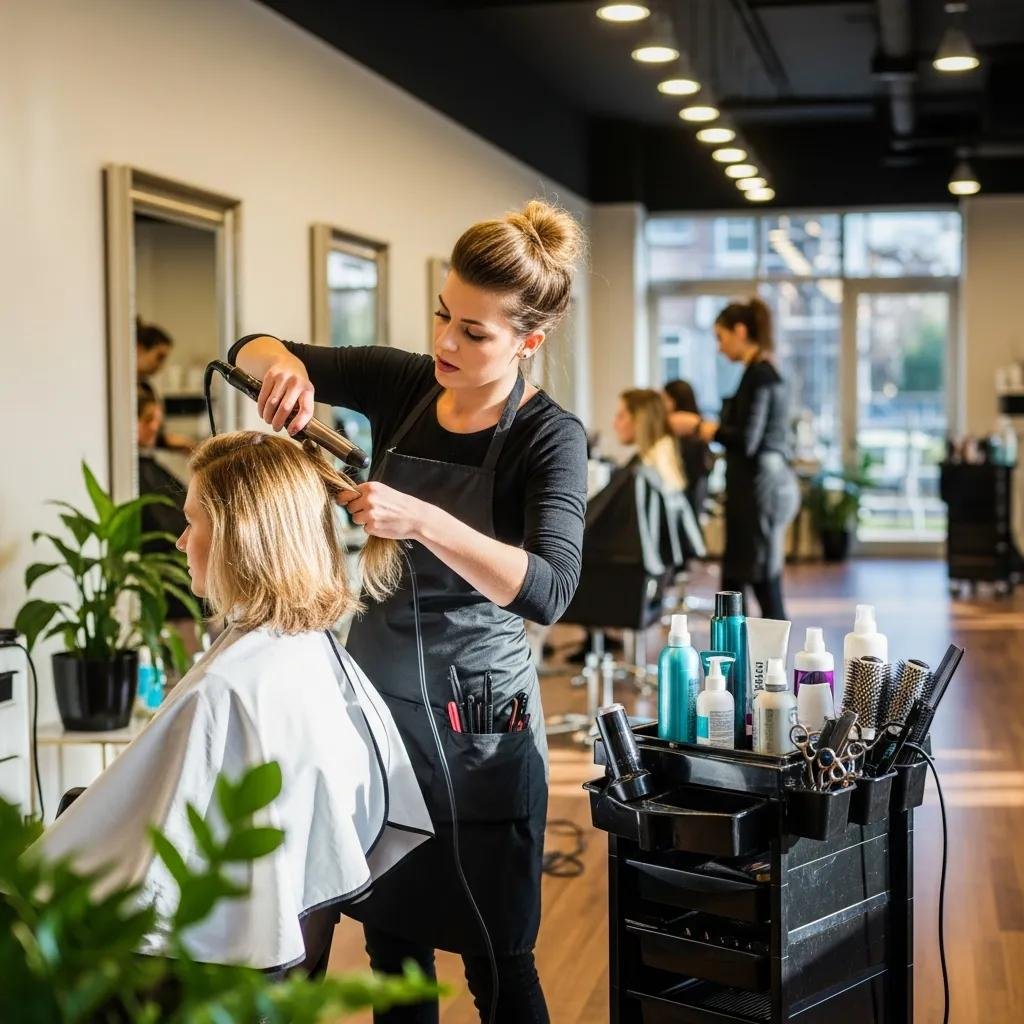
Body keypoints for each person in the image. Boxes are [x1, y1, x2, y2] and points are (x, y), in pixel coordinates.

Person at [231, 199, 588, 1023]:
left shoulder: (549, 439)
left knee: (499, 964)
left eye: (474, 331)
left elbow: (548, 589)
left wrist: (421, 518)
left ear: (527, 342)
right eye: (442, 315)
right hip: (377, 719)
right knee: (392, 952)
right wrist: (280, 367)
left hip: (479, 732)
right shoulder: (404, 384)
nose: (446, 344)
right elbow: (247, 345)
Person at [41, 432, 433, 973]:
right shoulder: (306, 650)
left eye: (192, 522)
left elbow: (152, 882)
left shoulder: (227, 690)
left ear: (238, 535)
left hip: (196, 971)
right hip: (282, 957)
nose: (180, 542)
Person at [669, 297, 799, 620]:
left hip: (760, 492)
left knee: (761, 584)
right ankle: (732, 663)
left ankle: (764, 665)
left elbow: (747, 439)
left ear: (740, 331)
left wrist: (700, 427)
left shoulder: (760, 376)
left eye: (721, 337)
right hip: (755, 490)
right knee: (739, 584)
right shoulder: (758, 373)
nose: (719, 347)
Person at [613, 388, 686, 493]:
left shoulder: (651, 467)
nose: (614, 424)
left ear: (640, 419)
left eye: (621, 416)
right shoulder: (663, 453)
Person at [137, 319, 194, 454]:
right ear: (138, 349)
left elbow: (155, 437)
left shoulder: (146, 389)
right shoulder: (124, 393)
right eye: (159, 357)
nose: (161, 365)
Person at [663, 379, 713, 521]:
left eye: (664, 399)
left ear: (674, 401)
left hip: (688, 490)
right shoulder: (699, 425)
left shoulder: (686, 429)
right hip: (695, 488)